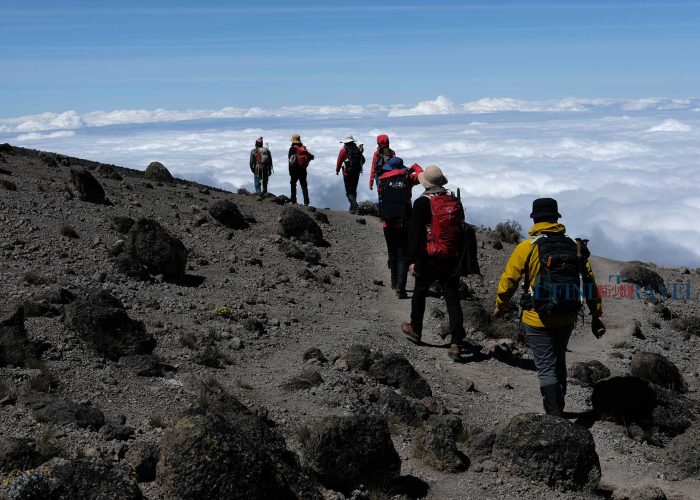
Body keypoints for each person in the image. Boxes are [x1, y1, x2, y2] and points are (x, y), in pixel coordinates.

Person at [492, 198, 606, 416]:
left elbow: (509, 280)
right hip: (567, 315)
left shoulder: (527, 247)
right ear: (556, 219)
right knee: (559, 359)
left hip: (537, 318)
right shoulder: (575, 247)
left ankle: (555, 415)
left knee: (545, 366)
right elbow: (589, 283)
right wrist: (596, 316)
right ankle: (559, 406)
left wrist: (500, 305)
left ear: (535, 220)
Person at [401, 165, 466, 361]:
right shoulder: (454, 201)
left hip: (428, 256)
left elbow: (415, 234)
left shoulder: (422, 202)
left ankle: (415, 329)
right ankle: (456, 342)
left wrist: (412, 260)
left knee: (420, 291)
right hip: (450, 256)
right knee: (452, 299)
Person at [377, 157, 423, 298]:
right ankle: (400, 290)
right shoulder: (408, 178)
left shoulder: (382, 179)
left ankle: (394, 282)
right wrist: (414, 166)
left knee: (392, 253)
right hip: (405, 223)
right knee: (403, 255)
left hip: (388, 224)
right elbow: (422, 176)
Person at [336, 136, 365, 213]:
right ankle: (352, 209)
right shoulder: (357, 149)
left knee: (349, 191)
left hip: (347, 173)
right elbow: (363, 160)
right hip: (357, 172)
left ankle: (355, 206)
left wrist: (337, 170)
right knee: (353, 190)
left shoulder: (344, 150)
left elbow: (339, 161)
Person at [288, 133, 314, 205]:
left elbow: (290, 160)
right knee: (304, 185)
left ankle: (293, 200)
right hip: (303, 170)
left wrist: (290, 170)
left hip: (294, 170)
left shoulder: (292, 148)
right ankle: (306, 201)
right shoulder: (303, 148)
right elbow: (312, 157)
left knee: (293, 184)